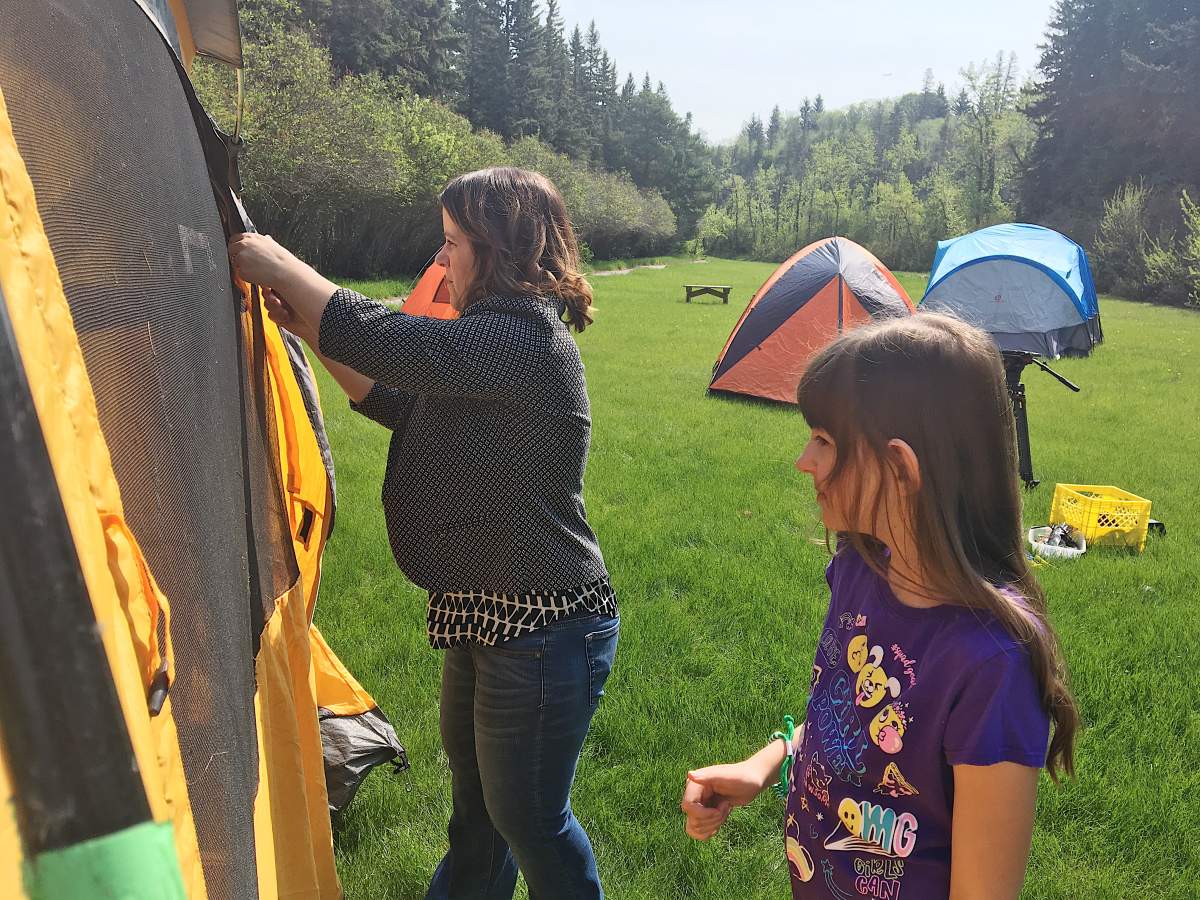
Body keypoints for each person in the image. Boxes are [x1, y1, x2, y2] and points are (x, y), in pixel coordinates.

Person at [229, 167, 619, 900]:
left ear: (497, 249)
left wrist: (282, 266)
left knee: (529, 820)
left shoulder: (523, 341)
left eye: (451, 244)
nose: (440, 262)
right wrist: (305, 326)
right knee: (479, 819)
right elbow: (400, 398)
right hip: (490, 614)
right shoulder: (484, 343)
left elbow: (399, 344)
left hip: (544, 627)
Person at [680, 313, 1078, 899]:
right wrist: (765, 764)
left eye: (824, 441)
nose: (804, 461)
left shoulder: (990, 665)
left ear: (899, 467)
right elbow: (843, 717)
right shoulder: (858, 572)